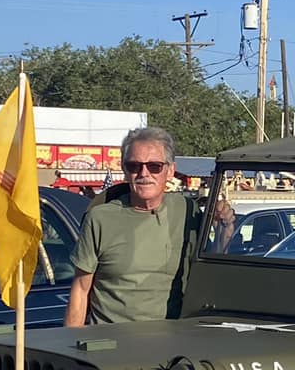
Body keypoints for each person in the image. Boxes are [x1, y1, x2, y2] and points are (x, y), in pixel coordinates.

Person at [66, 127, 222, 325]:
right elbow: (80, 289)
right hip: (111, 344)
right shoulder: (100, 218)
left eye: (154, 166)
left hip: (173, 341)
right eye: (134, 166)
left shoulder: (187, 211)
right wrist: (71, 344)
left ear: (170, 170)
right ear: (124, 170)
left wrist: (225, 227)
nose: (144, 173)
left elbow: (210, 274)